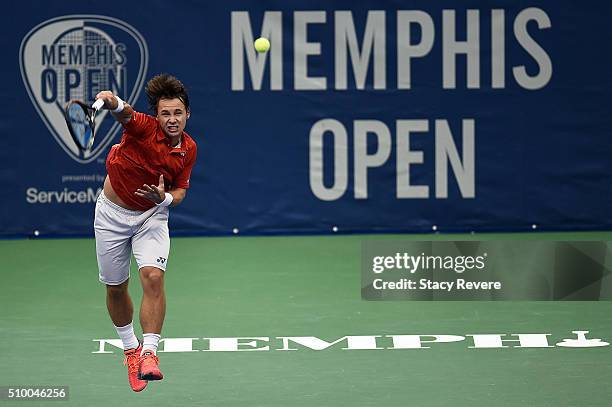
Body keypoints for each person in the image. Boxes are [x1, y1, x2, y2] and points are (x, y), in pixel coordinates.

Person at [93, 74, 197, 392]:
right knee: (115, 288)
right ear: (157, 116)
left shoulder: (189, 149)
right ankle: (130, 350)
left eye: (177, 113)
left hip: (151, 216)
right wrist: (111, 101)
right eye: (165, 113)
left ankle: (149, 353)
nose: (172, 119)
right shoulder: (143, 127)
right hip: (111, 215)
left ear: (187, 114)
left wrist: (163, 199)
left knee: (153, 277)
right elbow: (124, 112)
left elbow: (179, 191)